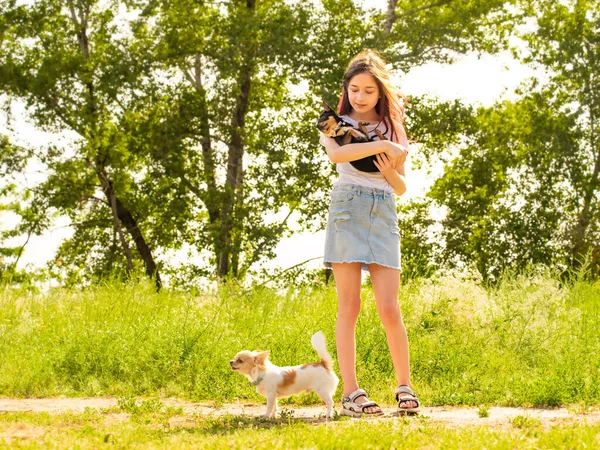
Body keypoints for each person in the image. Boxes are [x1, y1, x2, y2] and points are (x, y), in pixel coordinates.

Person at [319, 49, 419, 416]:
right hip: (347, 206)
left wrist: (390, 164)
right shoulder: (333, 123)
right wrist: (383, 148)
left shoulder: (394, 126)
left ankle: (404, 385)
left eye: (369, 91)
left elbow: (401, 186)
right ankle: (351, 393)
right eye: (355, 89)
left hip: (383, 210)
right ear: (347, 89)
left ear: (380, 94)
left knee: (389, 307)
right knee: (350, 304)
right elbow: (337, 157)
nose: (360, 96)